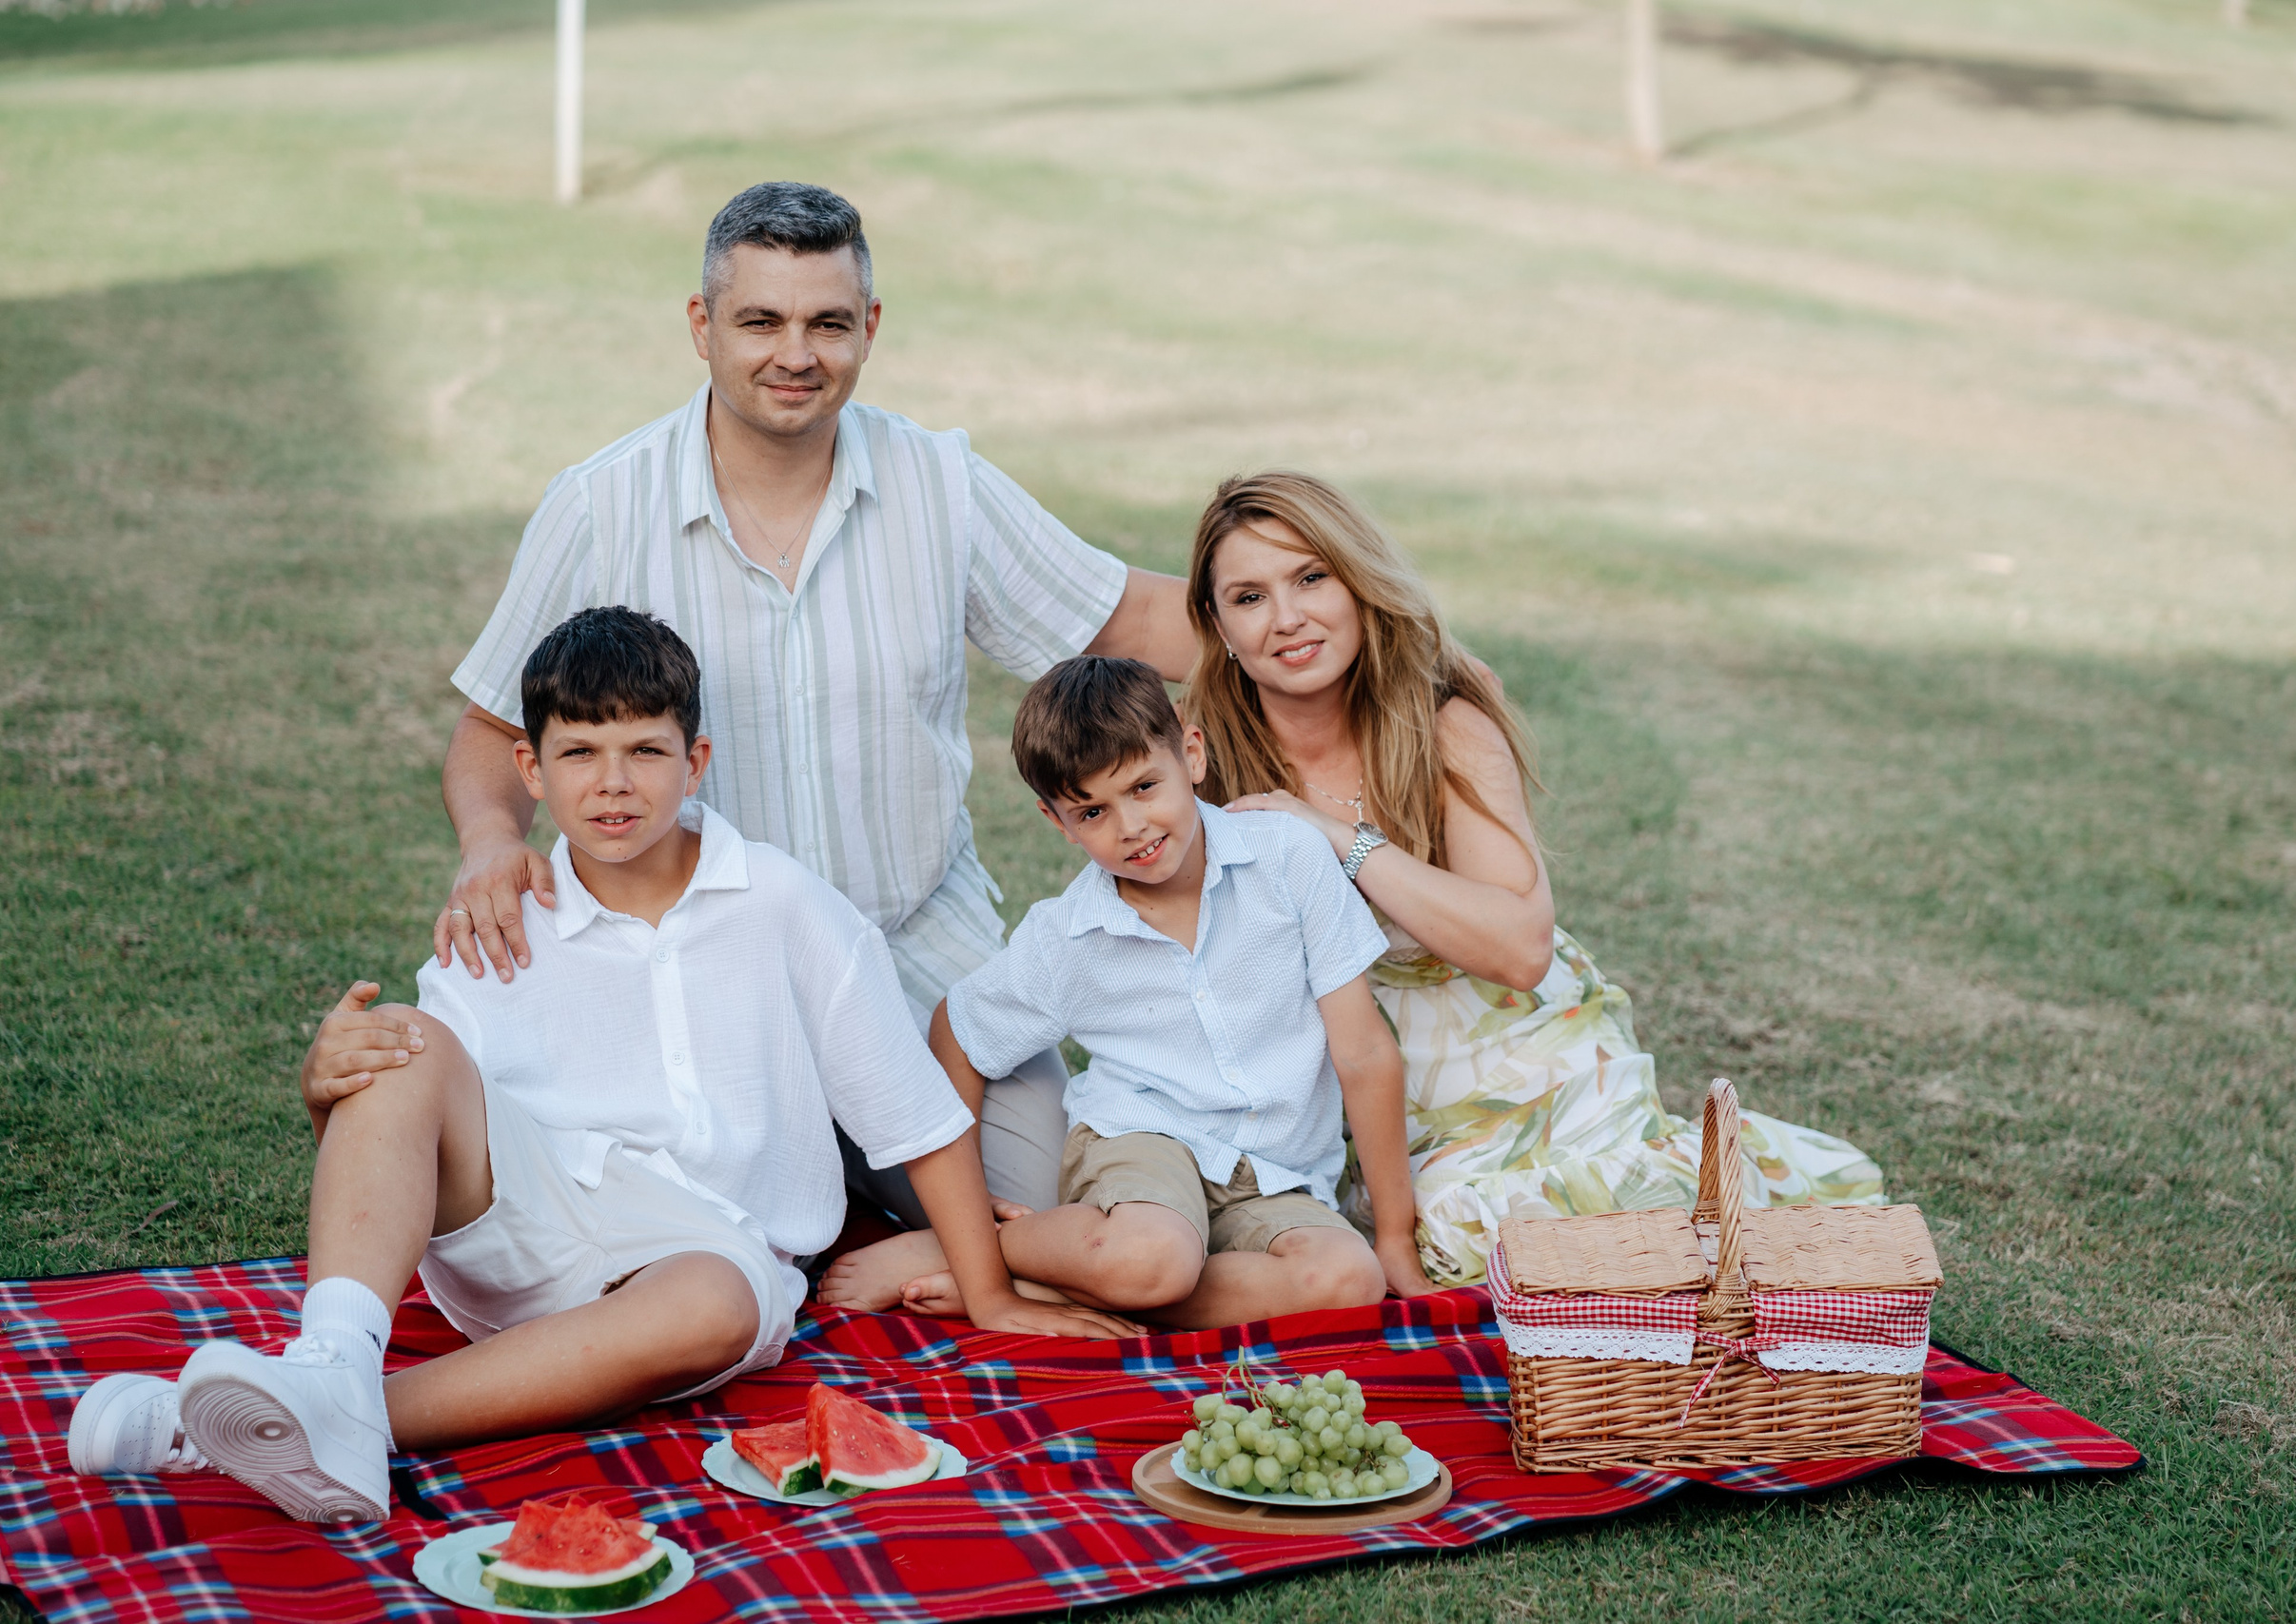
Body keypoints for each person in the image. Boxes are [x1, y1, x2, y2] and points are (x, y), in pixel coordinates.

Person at [64, 609, 1129, 1522]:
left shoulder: (786, 907)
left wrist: (988, 1295)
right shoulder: (501, 914)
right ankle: (335, 1357)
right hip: (526, 1228)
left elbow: (912, 1120)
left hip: (707, 1258)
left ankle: (299, 1419)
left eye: (644, 752)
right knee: (403, 1035)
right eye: (578, 754)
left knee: (717, 1301)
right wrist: (324, 1089)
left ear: (695, 761)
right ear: (530, 770)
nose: (611, 786)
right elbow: (407, 1128)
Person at [430, 182, 1196, 1227]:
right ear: (702, 327)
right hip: (694, 979)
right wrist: (485, 844)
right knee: (646, 1234)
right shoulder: (600, 505)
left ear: (869, 329)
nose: (796, 353)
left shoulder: (941, 484)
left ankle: (881, 1233)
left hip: (914, 958)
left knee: (1046, 1217)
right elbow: (490, 731)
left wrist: (1350, 633)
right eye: (760, 321)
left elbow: (1131, 619)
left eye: (827, 323)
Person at [1184, 472, 1886, 1285]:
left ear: (1359, 582)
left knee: (1631, 1231)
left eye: (1311, 577)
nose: (1288, 618)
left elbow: (1520, 950)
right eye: (1249, 597)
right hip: (1362, 1079)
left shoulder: (1445, 725)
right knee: (1458, 1244)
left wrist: (1336, 836)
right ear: (1218, 624)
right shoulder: (1205, 766)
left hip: (1528, 1046)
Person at [821, 657, 1430, 1326]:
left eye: (1145, 785)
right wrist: (959, 1211)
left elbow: (1365, 1056)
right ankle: (976, 1252)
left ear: (1191, 754)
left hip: (1275, 1172)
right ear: (1058, 821)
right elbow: (958, 1032)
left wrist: (1394, 1236)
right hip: (1145, 1143)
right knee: (1156, 1258)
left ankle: (1041, 1282)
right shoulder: (1068, 937)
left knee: (1349, 1278)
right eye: (1092, 810)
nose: (1131, 825)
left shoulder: (1290, 858)